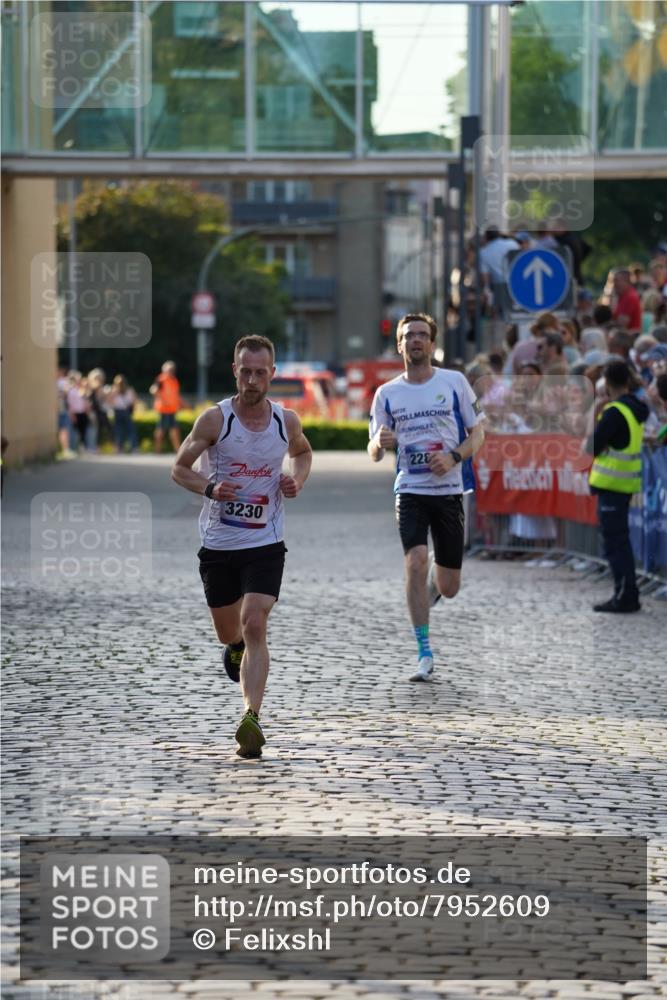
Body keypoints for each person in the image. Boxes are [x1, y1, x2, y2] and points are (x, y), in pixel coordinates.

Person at [171, 335, 312, 757]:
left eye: (260, 372)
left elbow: (303, 453)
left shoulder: (286, 421)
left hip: (266, 541)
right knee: (230, 631)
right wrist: (210, 487)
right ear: (235, 371)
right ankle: (233, 648)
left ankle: (251, 717)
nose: (252, 380)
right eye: (245, 372)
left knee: (254, 623)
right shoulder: (215, 420)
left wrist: (296, 480)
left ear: (272, 374)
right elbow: (179, 469)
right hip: (219, 544)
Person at [368, 313, 485, 683]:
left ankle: (436, 578)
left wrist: (453, 457)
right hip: (410, 490)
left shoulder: (454, 382)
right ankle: (424, 651)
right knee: (415, 560)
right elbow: (373, 450)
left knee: (449, 587)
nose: (415, 340)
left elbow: (478, 432)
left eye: (422, 335)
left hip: (449, 490)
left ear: (432, 344)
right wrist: (379, 443)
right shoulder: (387, 393)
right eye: (409, 336)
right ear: (399, 344)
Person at [587, 360, 648, 613]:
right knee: (620, 541)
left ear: (608, 384)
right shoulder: (636, 407)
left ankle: (625, 595)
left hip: (612, 484)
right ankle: (626, 593)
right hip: (626, 483)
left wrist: (595, 412)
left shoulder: (614, 412)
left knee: (615, 544)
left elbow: (590, 447)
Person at [151, 361, 182, 453]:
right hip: (163, 409)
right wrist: (161, 399)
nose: (171, 371)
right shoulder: (161, 379)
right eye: (169, 370)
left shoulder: (174, 380)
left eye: (172, 370)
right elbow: (153, 390)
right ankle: (157, 449)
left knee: (174, 430)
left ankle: (177, 449)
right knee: (161, 430)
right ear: (164, 370)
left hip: (172, 409)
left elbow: (175, 394)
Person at [109, 375, 138, 453]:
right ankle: (119, 447)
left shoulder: (129, 390)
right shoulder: (114, 391)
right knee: (119, 431)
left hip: (126, 411)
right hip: (118, 411)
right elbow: (110, 402)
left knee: (130, 430)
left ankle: (133, 447)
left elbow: (134, 401)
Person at [612, 269, 642, 335]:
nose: (614, 284)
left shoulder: (629, 297)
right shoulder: (623, 296)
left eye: (616, 280)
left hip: (628, 338)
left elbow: (622, 325)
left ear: (626, 281)